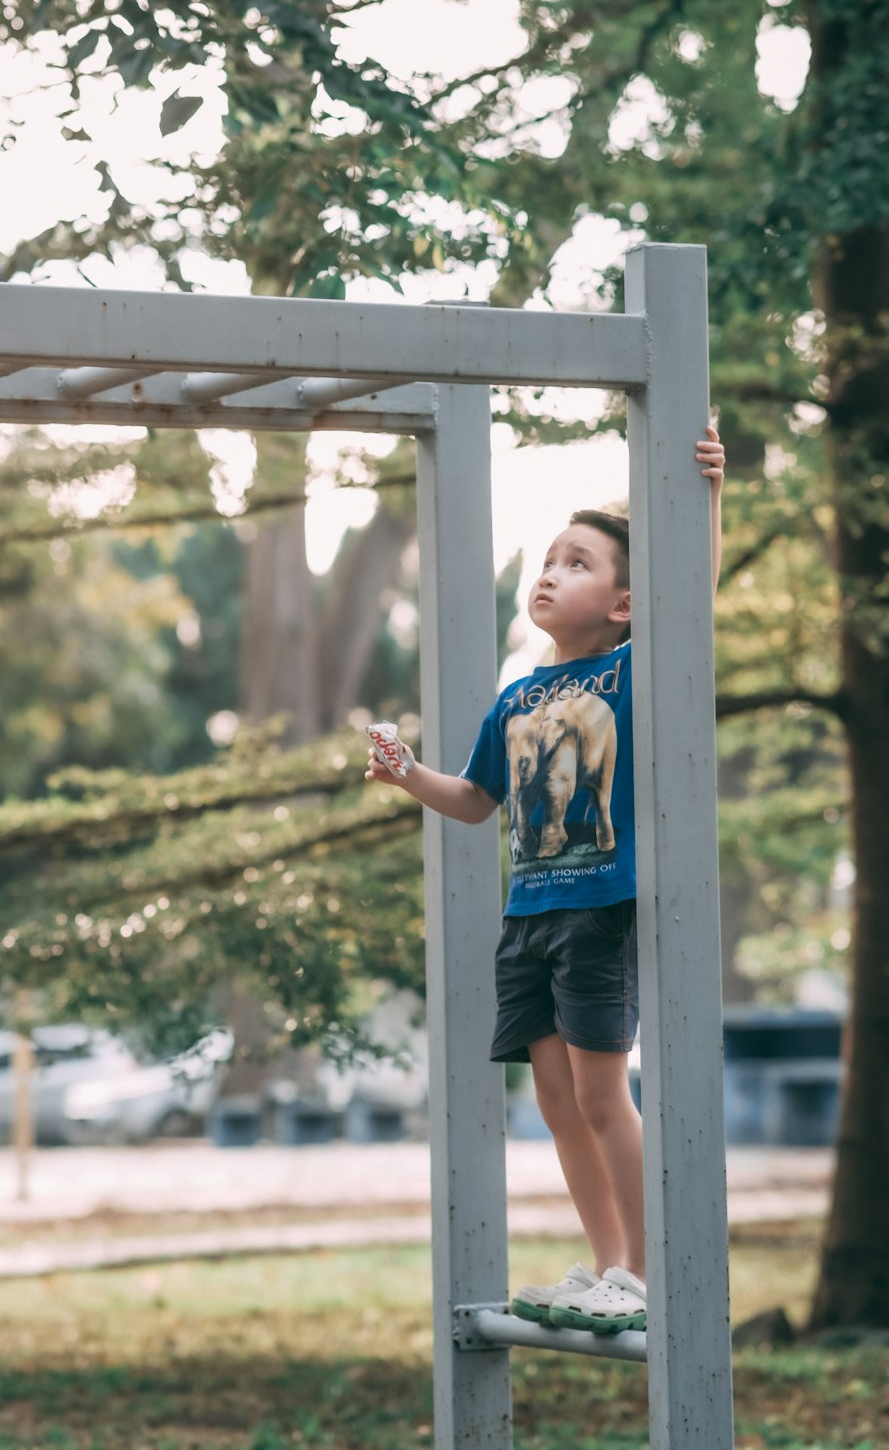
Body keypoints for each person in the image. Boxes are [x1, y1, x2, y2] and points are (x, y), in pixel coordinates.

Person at [365, 427, 725, 1335]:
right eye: (551, 558)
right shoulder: (517, 692)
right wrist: (408, 772)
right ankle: (608, 1267)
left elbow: (691, 606)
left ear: (625, 603)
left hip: (599, 908)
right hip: (527, 916)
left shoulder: (631, 670)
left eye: (580, 562)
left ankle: (646, 1271)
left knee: (605, 1097)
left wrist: (708, 500)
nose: (553, 573)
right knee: (559, 1103)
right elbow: (478, 798)